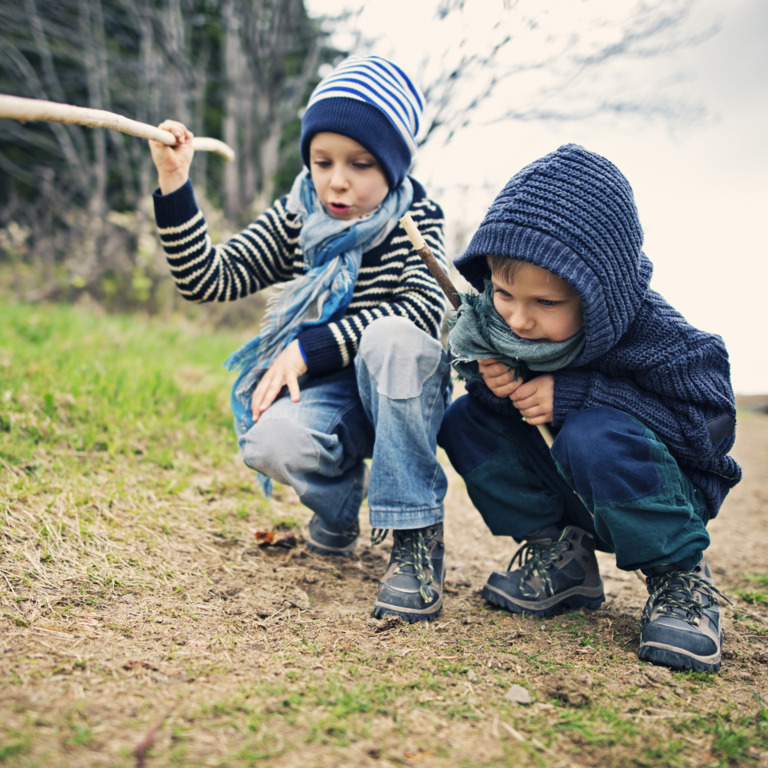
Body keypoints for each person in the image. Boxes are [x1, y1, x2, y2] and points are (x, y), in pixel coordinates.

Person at [149, 56, 452, 623]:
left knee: (392, 337)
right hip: (333, 396)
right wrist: (174, 183)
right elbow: (208, 277)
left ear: (393, 167)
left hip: (400, 391)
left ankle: (415, 536)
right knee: (269, 444)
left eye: (360, 164)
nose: (337, 180)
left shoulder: (418, 221)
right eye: (323, 161)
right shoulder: (298, 218)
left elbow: (420, 309)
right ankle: (338, 509)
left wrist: (310, 347)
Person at [437, 143, 742, 671]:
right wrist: (496, 384)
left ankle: (679, 578)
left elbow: (710, 432)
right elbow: (511, 413)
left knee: (591, 433)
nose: (519, 321)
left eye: (546, 303)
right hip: (579, 490)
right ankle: (565, 556)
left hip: (659, 496)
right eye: (506, 294)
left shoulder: (666, 340)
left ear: (601, 293)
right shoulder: (508, 326)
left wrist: (581, 396)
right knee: (466, 420)